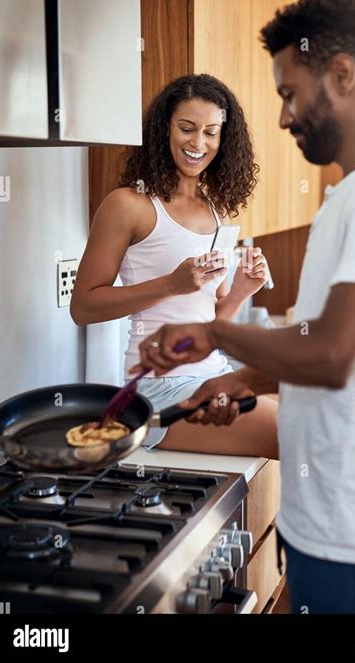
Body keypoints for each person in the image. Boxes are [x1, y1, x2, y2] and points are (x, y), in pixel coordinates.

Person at [130, 0, 355, 614]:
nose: (282, 118)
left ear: (341, 75)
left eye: (289, 92)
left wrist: (217, 338)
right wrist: (237, 384)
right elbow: (311, 343)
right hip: (332, 525)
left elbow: (334, 355)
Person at [71, 73, 278, 459]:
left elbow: (210, 321)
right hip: (158, 390)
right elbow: (83, 307)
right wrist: (170, 284)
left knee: (311, 416)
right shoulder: (128, 205)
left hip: (214, 373)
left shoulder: (216, 210)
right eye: (187, 128)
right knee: (294, 432)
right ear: (164, 129)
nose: (198, 143)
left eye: (211, 132)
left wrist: (240, 291)